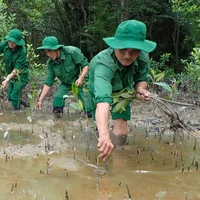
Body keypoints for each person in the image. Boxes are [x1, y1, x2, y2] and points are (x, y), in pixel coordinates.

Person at [89, 19, 157, 161]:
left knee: (121, 129)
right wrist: (104, 134)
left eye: (134, 51)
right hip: (100, 88)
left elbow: (141, 78)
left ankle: (119, 154)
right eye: (122, 50)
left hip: (123, 91)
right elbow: (102, 100)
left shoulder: (143, 58)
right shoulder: (103, 63)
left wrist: (140, 89)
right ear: (115, 46)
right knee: (100, 123)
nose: (127, 55)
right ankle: (101, 141)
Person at [35, 36, 92, 118]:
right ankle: (58, 122)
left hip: (80, 80)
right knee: (57, 101)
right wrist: (40, 100)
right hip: (66, 82)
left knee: (88, 107)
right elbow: (48, 82)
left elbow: (85, 65)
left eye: (50, 51)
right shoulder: (50, 63)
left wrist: (81, 78)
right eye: (46, 52)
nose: (48, 55)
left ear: (56, 49)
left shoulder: (72, 52)